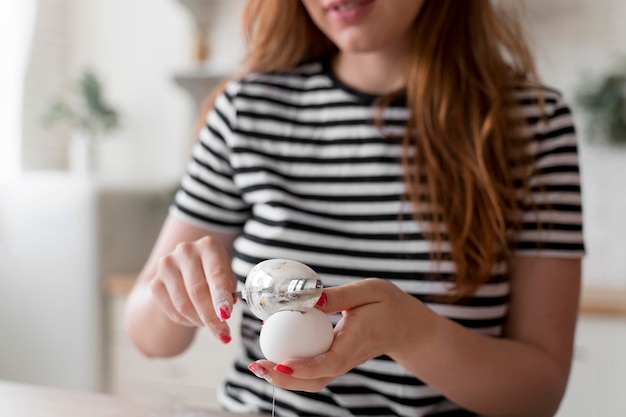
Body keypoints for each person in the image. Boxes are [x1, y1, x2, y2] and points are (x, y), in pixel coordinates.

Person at [124, 1, 585, 416]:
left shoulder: (531, 126)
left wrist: (413, 334)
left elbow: (539, 395)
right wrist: (177, 295)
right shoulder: (247, 110)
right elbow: (147, 335)